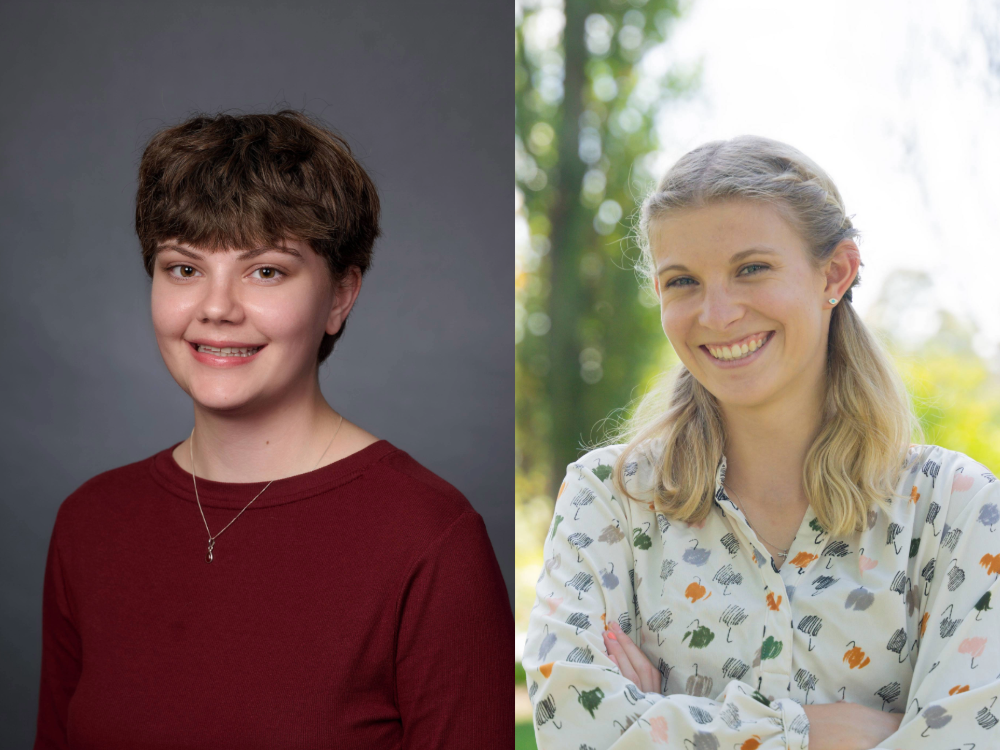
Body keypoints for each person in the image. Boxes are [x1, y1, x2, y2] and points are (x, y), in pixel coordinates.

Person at [34, 110, 512, 749]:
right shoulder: (89, 523)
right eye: (184, 268)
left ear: (340, 296)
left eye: (265, 271)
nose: (217, 308)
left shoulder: (431, 540)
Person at [523, 135, 999, 749]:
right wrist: (825, 736)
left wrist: (660, 721)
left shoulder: (957, 511)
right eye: (682, 281)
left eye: (751, 269)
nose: (717, 314)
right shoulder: (608, 499)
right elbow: (574, 731)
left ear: (836, 273)